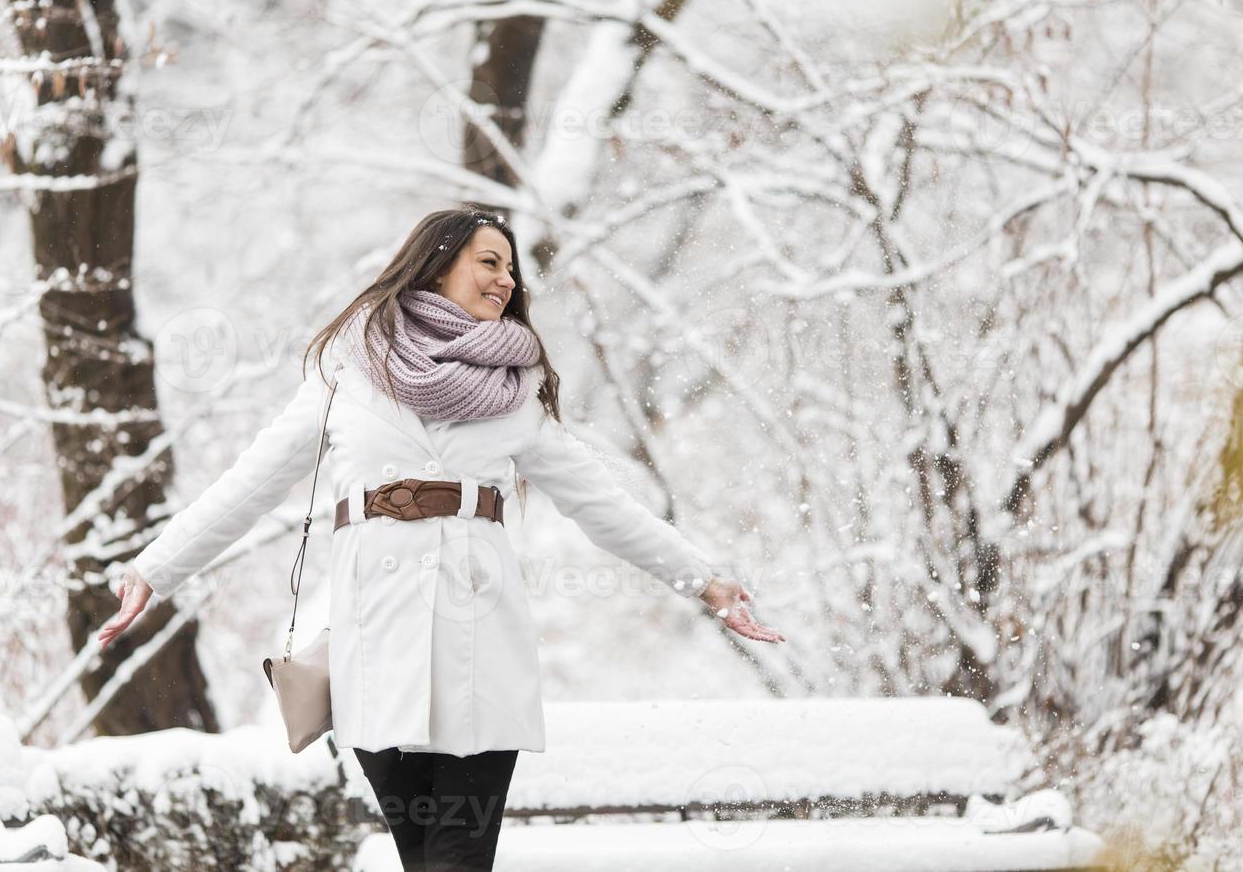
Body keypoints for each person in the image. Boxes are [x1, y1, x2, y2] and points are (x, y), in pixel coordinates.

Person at [98, 206, 784, 870]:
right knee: (422, 858)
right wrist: (156, 567)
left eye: (512, 269)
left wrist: (707, 580)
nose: (507, 280)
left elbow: (603, 503)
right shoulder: (348, 369)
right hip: (376, 657)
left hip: (480, 653)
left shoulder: (517, 391)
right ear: (437, 264)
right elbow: (250, 484)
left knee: (456, 858)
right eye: (490, 261)